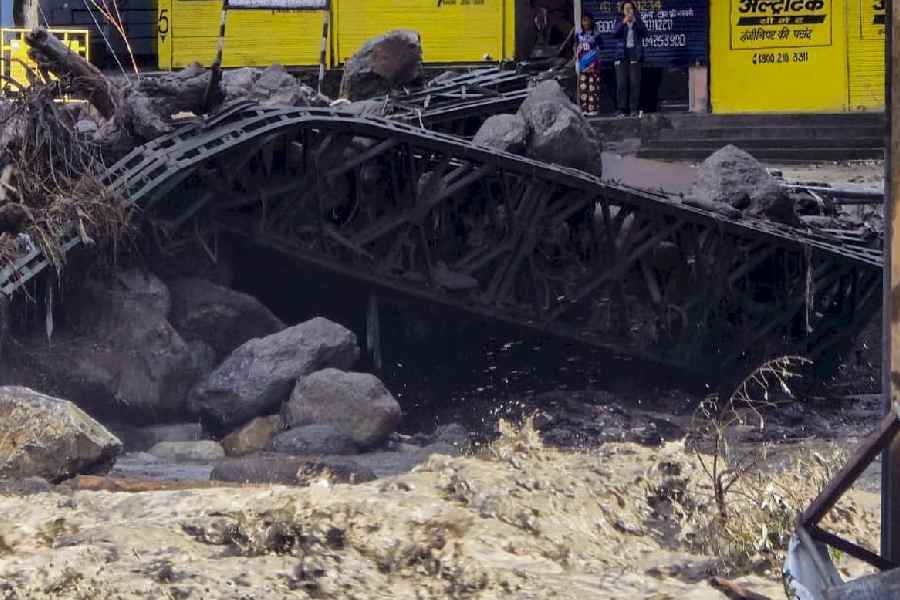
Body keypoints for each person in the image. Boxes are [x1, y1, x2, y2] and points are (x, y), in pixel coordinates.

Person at [613, 1, 647, 117]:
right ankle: (621, 109)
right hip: (621, 54)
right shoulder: (619, 20)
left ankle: (633, 109)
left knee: (634, 83)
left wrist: (636, 22)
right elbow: (614, 34)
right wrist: (624, 22)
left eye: (630, 8)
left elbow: (645, 33)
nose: (628, 10)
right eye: (626, 8)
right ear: (622, 11)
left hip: (634, 54)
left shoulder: (638, 20)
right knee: (621, 83)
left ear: (634, 10)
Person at [575, 11, 602, 116]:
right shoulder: (578, 34)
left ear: (591, 21)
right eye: (584, 20)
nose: (586, 23)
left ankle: (593, 109)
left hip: (593, 65)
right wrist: (577, 62)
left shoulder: (596, 34)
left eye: (588, 20)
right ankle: (584, 109)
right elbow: (576, 48)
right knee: (583, 88)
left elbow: (600, 48)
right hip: (582, 64)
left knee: (593, 87)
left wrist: (595, 62)